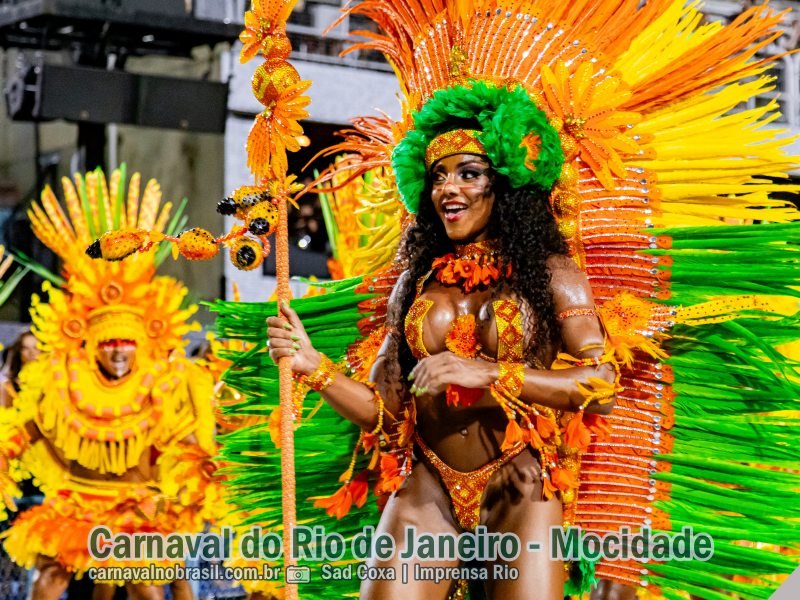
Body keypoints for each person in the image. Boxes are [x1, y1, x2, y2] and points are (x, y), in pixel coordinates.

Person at [267, 93, 619, 598]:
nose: (447, 188)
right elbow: (383, 413)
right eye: (437, 176)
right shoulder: (413, 282)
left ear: (505, 182)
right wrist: (313, 366)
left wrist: (492, 373)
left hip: (517, 485)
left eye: (468, 174)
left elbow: (601, 386)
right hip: (428, 480)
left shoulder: (554, 275)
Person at [0, 167, 219, 600]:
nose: (119, 352)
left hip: (138, 503)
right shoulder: (61, 381)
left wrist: (204, 475)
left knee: (147, 586)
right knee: (49, 582)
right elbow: (27, 429)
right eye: (109, 344)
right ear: (92, 347)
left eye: (127, 344)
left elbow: (187, 441)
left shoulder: (165, 383)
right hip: (75, 502)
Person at [0, 329, 40, 408]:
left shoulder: (53, 376)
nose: (31, 352)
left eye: (35, 347)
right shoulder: (9, 383)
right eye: (25, 348)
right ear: (19, 351)